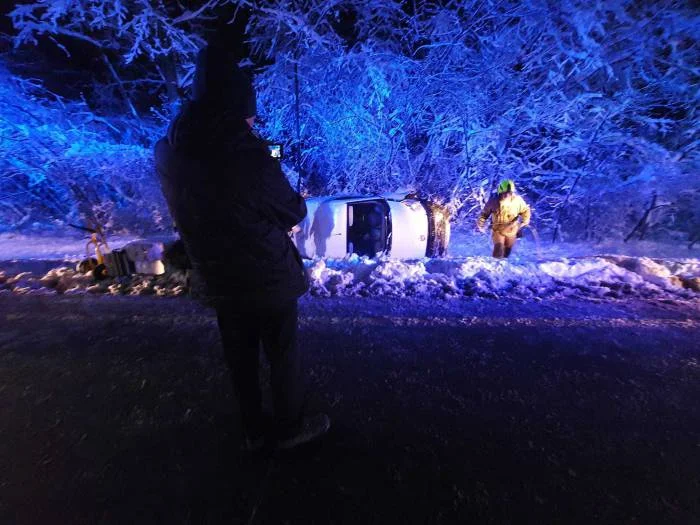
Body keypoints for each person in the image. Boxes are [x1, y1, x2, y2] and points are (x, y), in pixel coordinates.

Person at [154, 43, 330, 452]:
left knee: (240, 356)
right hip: (265, 274)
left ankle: (253, 429)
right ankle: (288, 427)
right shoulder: (250, 156)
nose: (253, 119)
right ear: (232, 109)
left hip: (216, 273)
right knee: (282, 353)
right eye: (249, 111)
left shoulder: (170, 152)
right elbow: (292, 210)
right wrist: (270, 166)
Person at [477, 179, 531, 258]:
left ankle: (504, 267)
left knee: (507, 253)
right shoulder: (493, 202)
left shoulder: (517, 201)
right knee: (499, 249)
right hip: (498, 230)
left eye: (509, 193)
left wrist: (524, 221)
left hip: (512, 230)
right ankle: (495, 266)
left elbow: (525, 210)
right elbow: (485, 214)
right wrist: (481, 223)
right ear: (500, 192)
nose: (507, 195)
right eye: (505, 193)